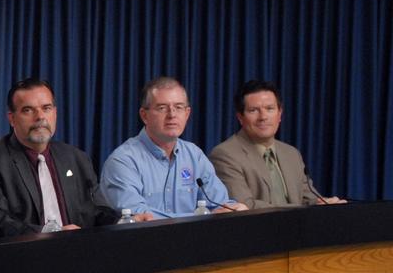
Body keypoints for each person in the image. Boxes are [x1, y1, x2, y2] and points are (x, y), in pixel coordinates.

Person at [0, 78, 126, 237]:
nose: (40, 117)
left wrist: (124, 221)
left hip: (77, 253)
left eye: (46, 108)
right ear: (12, 118)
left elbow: (96, 211)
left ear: (55, 113)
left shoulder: (76, 158)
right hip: (19, 256)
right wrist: (48, 234)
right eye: (28, 110)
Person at [102, 76, 247, 217]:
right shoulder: (123, 161)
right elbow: (138, 217)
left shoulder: (194, 155)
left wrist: (233, 209)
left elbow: (219, 205)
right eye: (162, 108)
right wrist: (201, 218)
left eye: (178, 107)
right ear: (144, 115)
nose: (172, 114)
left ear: (187, 113)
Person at [210, 80, 344, 207]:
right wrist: (299, 209)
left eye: (270, 109)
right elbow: (244, 205)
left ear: (280, 114)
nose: (263, 117)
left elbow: (308, 198)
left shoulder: (291, 154)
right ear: (240, 117)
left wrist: (324, 204)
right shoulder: (225, 155)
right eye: (253, 110)